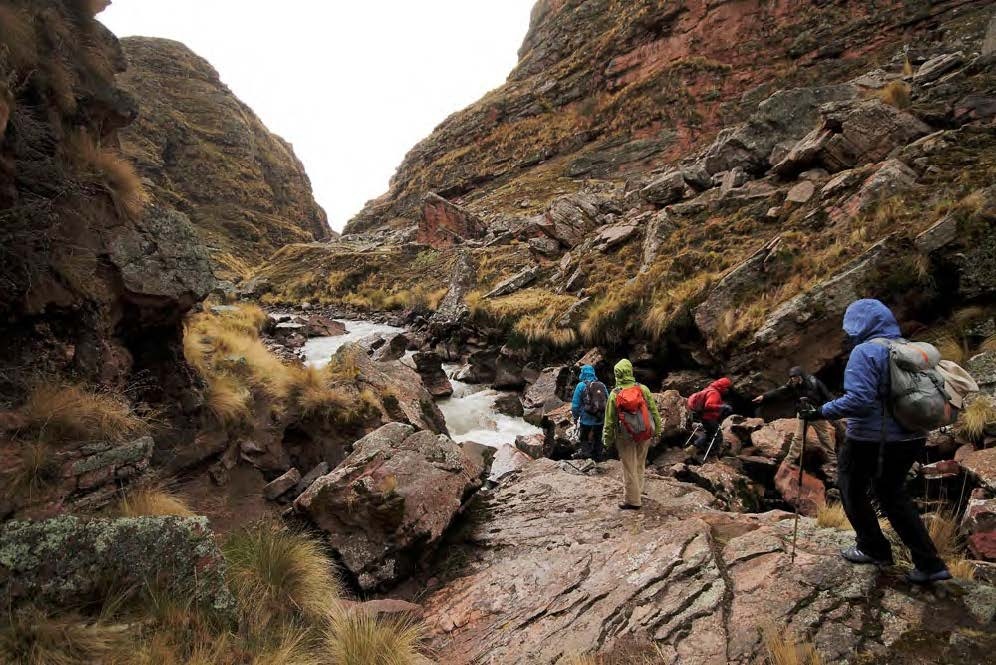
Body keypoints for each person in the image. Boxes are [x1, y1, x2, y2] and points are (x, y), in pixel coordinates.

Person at [802, 299, 950, 584]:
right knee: (892, 495)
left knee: (851, 488)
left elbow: (858, 401)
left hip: (873, 439)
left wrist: (820, 412)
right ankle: (929, 564)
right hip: (913, 435)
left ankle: (873, 548)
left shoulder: (865, 352)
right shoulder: (905, 347)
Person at [754, 366, 837, 474]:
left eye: (796, 377)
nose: (794, 380)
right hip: (803, 413)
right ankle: (789, 460)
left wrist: (836, 406)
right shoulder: (792, 384)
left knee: (824, 437)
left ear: (801, 376)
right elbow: (780, 391)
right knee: (798, 438)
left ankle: (833, 461)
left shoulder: (814, 382)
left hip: (816, 413)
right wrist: (764, 397)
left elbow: (827, 395)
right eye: (792, 377)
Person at [603, 359, 661, 510]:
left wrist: (607, 440)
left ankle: (633, 500)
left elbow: (609, 421)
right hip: (644, 432)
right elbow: (654, 411)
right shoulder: (643, 389)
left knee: (629, 466)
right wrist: (658, 429)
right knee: (640, 462)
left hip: (625, 435)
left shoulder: (615, 394)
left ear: (617, 374)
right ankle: (639, 490)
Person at [571, 364, 608, 462]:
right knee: (598, 440)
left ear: (583, 374)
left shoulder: (580, 386)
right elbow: (607, 401)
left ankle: (587, 459)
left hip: (585, 420)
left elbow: (575, 405)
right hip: (599, 420)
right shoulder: (601, 385)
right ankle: (598, 459)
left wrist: (575, 417)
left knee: (585, 440)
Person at [688, 378, 733, 453]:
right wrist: (722, 407)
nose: (727, 390)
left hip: (703, 416)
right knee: (717, 436)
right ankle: (711, 454)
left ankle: (692, 449)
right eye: (727, 388)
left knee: (708, 433)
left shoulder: (709, 389)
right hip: (709, 418)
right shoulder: (714, 393)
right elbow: (708, 405)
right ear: (723, 387)